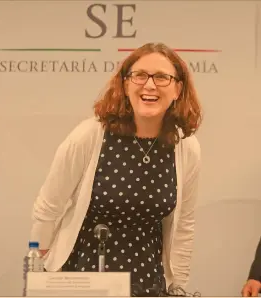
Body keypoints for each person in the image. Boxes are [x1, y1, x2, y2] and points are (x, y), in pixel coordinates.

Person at [30, 42, 202, 296]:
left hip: (147, 279)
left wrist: (178, 287)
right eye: (140, 75)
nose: (150, 85)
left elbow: (184, 225)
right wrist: (34, 278)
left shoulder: (186, 147)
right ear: (124, 85)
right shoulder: (89, 135)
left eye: (162, 77)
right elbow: (48, 208)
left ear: (178, 89)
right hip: (83, 276)